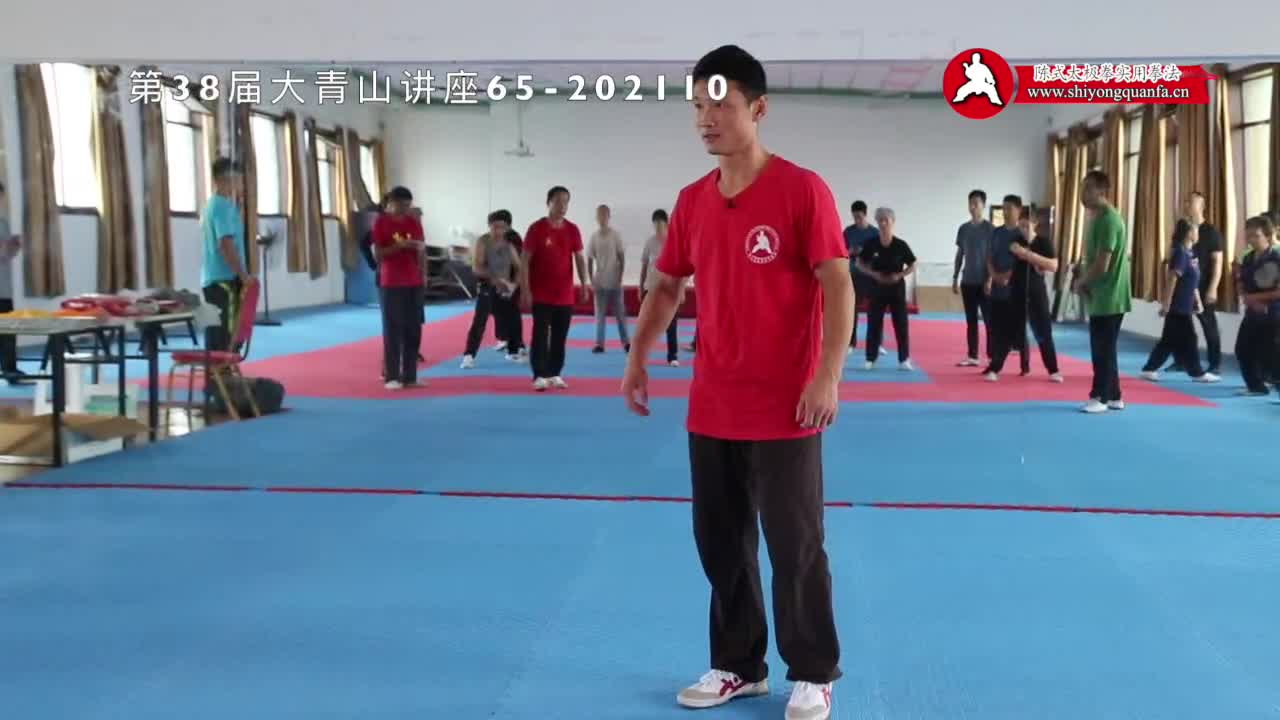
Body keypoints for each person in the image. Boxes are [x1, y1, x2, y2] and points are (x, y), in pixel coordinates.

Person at [620, 45, 851, 720]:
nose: (706, 118)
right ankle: (738, 666)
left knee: (796, 546)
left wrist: (827, 376)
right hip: (713, 404)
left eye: (719, 104)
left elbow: (838, 285)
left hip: (787, 406)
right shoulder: (692, 201)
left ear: (758, 108)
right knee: (720, 544)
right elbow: (667, 286)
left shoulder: (802, 189)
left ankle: (813, 672)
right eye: (697, 105)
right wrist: (637, 357)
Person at [1072, 170, 1131, 414]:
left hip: (1110, 296)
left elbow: (1102, 264)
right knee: (1106, 349)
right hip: (1100, 296)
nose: (1083, 194)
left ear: (1101, 191)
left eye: (1088, 188)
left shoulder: (1109, 220)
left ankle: (1100, 397)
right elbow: (1093, 259)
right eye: (1082, 188)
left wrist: (1082, 281)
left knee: (1102, 350)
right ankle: (1115, 396)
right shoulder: (1096, 219)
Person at [520, 185, 588, 392]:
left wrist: (584, 284)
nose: (562, 206)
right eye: (558, 201)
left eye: (566, 202)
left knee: (560, 336)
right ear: (548, 202)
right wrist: (525, 289)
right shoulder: (536, 229)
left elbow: (579, 258)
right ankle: (539, 375)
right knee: (540, 335)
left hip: (564, 294)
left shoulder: (572, 229)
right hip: (541, 293)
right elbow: (524, 261)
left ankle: (555, 373)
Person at [1139, 220, 1220, 384]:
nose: (1198, 234)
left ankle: (1149, 368)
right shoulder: (1180, 253)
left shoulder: (1191, 254)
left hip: (1186, 305)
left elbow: (1193, 280)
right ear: (1189, 233)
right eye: (1195, 230)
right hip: (1178, 306)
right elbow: (1172, 279)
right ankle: (1196, 372)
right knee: (1190, 339)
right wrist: (1166, 304)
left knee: (1168, 341)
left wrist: (1198, 300)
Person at [371, 186, 426, 390]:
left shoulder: (413, 222)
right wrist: (399, 247)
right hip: (391, 282)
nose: (405, 209)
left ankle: (410, 376)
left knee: (414, 329)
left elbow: (421, 249)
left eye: (408, 205)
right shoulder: (381, 222)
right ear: (391, 202)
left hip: (413, 281)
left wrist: (423, 272)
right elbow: (378, 254)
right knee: (393, 329)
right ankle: (391, 376)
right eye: (401, 205)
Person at [200, 158, 255, 353]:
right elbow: (226, 245)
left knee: (216, 334)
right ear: (227, 180)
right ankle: (222, 372)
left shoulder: (212, 205)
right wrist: (243, 276)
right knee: (226, 338)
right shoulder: (222, 207)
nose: (241, 184)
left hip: (212, 280)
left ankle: (216, 372)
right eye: (239, 180)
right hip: (224, 281)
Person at [1166, 191, 1223, 375]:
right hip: (1183, 285)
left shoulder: (1211, 232)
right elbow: (1173, 254)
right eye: (1185, 202)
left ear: (1201, 206)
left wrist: (1213, 288)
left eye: (1191, 202)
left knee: (1209, 325)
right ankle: (1180, 360)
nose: (1187, 205)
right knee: (1179, 325)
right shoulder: (1182, 228)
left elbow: (1218, 263)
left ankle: (1215, 364)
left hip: (1203, 285)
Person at [461, 210, 524, 368]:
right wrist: (496, 280)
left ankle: (513, 351)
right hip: (488, 285)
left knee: (512, 317)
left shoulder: (509, 244)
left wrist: (513, 285)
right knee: (480, 320)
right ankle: (469, 355)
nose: (498, 231)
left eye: (502, 227)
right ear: (489, 226)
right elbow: (476, 268)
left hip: (505, 287)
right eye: (495, 227)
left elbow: (519, 267)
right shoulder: (483, 242)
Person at [857, 207, 916, 371]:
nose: (883, 223)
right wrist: (873, 274)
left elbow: (913, 264)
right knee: (874, 323)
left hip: (896, 288)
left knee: (901, 323)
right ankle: (870, 358)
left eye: (886, 220)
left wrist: (900, 275)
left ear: (892, 222)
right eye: (880, 220)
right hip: (877, 287)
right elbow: (859, 263)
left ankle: (904, 359)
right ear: (877, 222)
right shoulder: (871, 244)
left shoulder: (900, 245)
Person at [1013, 207, 1063, 382]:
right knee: (1017, 332)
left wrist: (1028, 255)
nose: (1023, 230)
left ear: (1035, 224)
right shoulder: (1015, 241)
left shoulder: (1043, 242)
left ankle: (1053, 369)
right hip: (1017, 291)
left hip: (1037, 293)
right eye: (1021, 226)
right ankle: (1023, 366)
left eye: (1026, 226)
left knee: (1043, 332)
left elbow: (1053, 266)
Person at [1234, 215, 1280, 397]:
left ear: (1268, 236)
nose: (1251, 239)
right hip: (1252, 313)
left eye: (1256, 235)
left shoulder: (1276, 259)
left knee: (1271, 357)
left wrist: (1254, 298)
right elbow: (1241, 282)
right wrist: (1243, 292)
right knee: (1242, 349)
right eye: (1248, 235)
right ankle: (1256, 387)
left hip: (1273, 314)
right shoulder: (1248, 258)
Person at [985, 194, 1030, 376]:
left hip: (1016, 287)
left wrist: (1007, 276)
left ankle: (1024, 365)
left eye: (1009, 208)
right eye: (1003, 208)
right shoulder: (996, 233)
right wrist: (993, 276)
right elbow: (989, 257)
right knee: (995, 327)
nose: (1005, 212)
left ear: (1019, 210)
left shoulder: (1022, 234)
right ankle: (994, 363)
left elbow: (1023, 262)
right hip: (997, 286)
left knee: (1019, 328)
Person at [953, 189, 994, 366]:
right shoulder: (963, 229)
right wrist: (955, 277)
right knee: (971, 321)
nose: (973, 207)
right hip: (967, 280)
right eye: (971, 203)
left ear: (983, 205)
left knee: (989, 320)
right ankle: (972, 355)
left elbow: (993, 256)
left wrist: (990, 279)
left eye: (976, 203)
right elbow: (960, 254)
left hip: (984, 281)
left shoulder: (990, 229)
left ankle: (993, 356)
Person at [639, 208, 682, 366]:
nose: (657, 227)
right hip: (650, 288)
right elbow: (644, 266)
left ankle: (672, 356)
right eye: (655, 224)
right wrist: (640, 287)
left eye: (660, 224)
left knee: (671, 323)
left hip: (669, 290)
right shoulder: (650, 242)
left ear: (666, 224)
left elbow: (680, 269)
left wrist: (681, 291)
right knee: (646, 324)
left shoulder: (674, 243)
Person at [587, 203, 630, 353]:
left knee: (620, 314)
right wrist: (591, 279)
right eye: (600, 215)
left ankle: (626, 343)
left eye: (604, 215)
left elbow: (621, 257)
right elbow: (589, 259)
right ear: (597, 217)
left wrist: (620, 276)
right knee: (599, 315)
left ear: (608, 216)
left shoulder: (615, 235)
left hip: (614, 281)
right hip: (600, 282)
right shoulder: (594, 237)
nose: (602, 218)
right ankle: (599, 344)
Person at [0, 181, 30, 385]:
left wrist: (15, 245)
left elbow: (6, 255)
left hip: (4, 287)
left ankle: (10, 370)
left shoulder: (3, 223)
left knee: (8, 331)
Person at [842, 200, 879, 351]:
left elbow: (880, 253)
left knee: (875, 310)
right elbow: (841, 252)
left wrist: (865, 253)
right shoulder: (848, 232)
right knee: (852, 309)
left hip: (871, 275)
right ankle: (851, 342)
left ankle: (876, 343)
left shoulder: (874, 233)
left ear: (865, 215)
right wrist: (850, 252)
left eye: (859, 217)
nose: (857, 219)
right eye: (855, 217)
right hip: (854, 274)